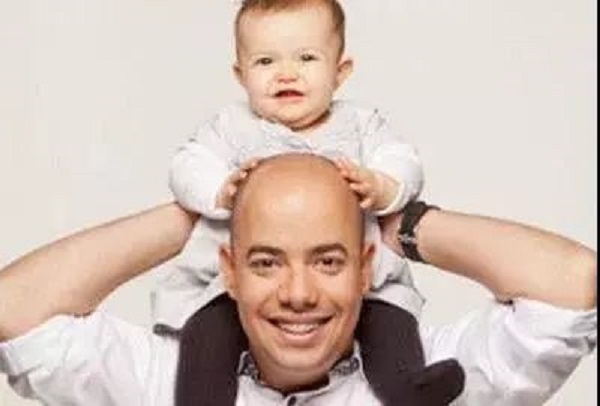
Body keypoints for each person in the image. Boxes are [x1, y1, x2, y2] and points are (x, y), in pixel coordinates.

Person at [0, 153, 596, 406]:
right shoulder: (163, 382)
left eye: (328, 261)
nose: (299, 293)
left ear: (366, 268)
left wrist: (405, 223)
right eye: (266, 261)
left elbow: (573, 284)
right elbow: (14, 308)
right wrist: (193, 216)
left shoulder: (424, 381)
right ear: (229, 271)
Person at [155, 0, 432, 402]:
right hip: (241, 284)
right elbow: (187, 165)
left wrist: (384, 185)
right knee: (206, 337)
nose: (287, 73)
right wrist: (218, 190)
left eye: (306, 58)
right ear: (241, 74)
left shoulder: (360, 125)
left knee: (393, 327)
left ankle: (412, 392)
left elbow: (403, 160)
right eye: (266, 61)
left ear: (340, 71)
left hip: (354, 280)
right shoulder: (232, 127)